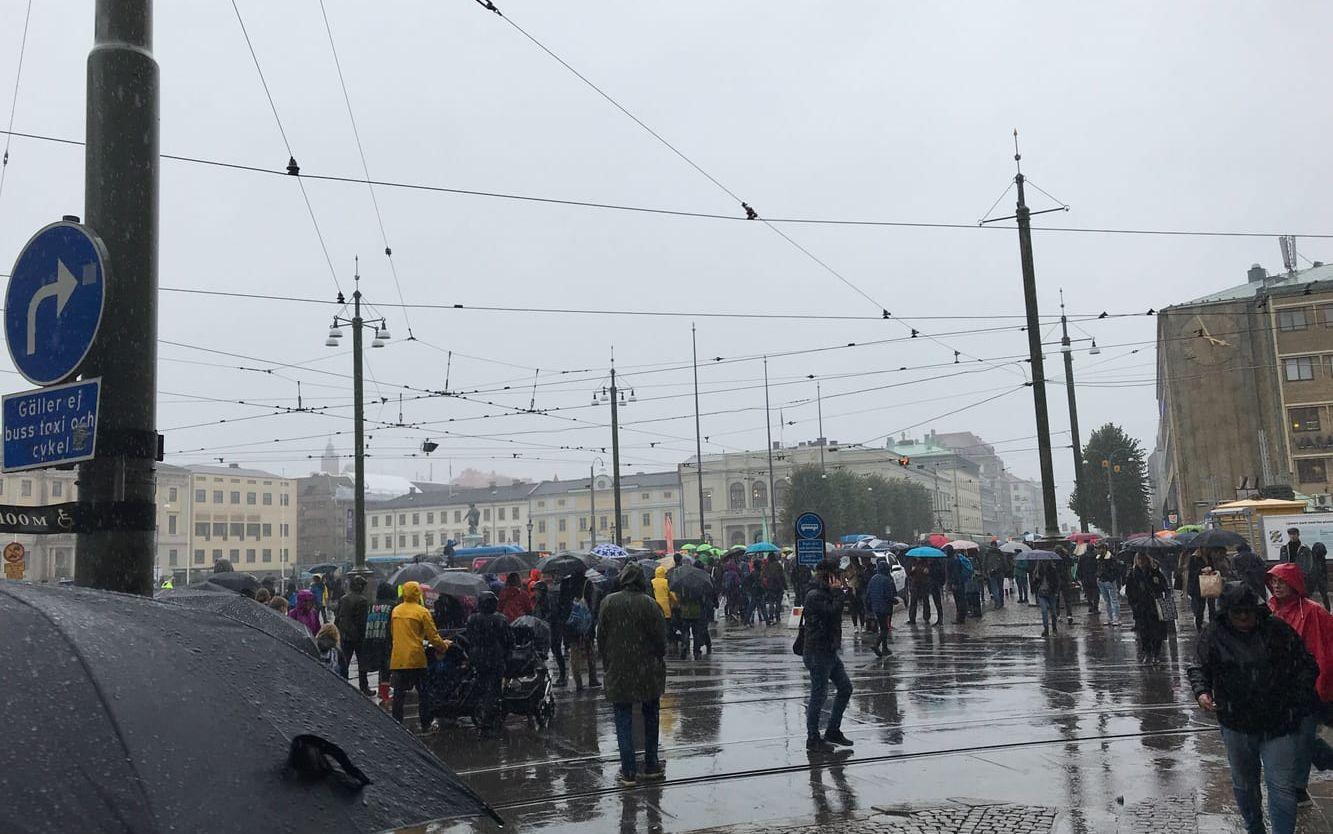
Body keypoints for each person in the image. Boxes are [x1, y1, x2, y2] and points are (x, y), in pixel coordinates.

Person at [1189, 582, 1318, 834]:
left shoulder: (1277, 630)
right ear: (1227, 613)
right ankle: (1254, 827)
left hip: (1279, 721)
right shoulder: (1214, 634)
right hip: (1236, 721)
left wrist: (1294, 699)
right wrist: (1202, 691)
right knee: (1245, 784)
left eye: (1249, 611)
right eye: (1238, 613)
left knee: (1281, 785)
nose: (1245, 617)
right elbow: (1199, 666)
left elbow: (1306, 665)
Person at [597, 563, 667, 787]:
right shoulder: (650, 604)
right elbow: (660, 642)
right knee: (651, 716)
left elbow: (601, 637)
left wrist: (609, 661)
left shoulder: (608, 602)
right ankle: (651, 764)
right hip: (647, 670)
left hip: (619, 669)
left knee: (623, 719)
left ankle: (628, 772)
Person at [1268, 562, 1333, 804]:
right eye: (1274, 582)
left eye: (1281, 581)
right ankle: (1325, 760)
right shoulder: (1271, 610)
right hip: (1282, 686)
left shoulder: (1313, 611)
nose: (1276, 586)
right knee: (1293, 735)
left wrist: (1320, 682)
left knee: (1303, 736)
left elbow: (1325, 647)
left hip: (1308, 685)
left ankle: (1298, 787)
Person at [803, 563, 853, 748]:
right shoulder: (815, 595)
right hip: (817, 651)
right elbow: (832, 612)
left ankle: (833, 730)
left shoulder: (826, 593)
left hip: (829, 650)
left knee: (845, 688)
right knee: (819, 695)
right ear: (829, 577)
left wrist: (838, 593)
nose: (840, 579)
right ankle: (813, 738)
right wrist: (838, 593)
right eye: (837, 575)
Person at [389, 580, 450, 731]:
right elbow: (433, 636)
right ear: (418, 594)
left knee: (399, 695)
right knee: (424, 693)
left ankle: (397, 724)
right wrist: (444, 646)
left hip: (398, 658)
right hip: (416, 658)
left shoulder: (396, 611)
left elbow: (393, 633)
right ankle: (425, 723)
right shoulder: (422, 612)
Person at [465, 591, 514, 732]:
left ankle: (484, 711)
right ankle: (489, 716)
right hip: (495, 658)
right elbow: (509, 639)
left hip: (478, 658)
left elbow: (469, 638)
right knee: (494, 689)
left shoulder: (472, 619)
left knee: (482, 685)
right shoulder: (500, 619)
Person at [1124, 553, 1169, 663]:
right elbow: (1129, 592)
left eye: (1143, 559)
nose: (1141, 561)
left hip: (1155, 608)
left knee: (1157, 633)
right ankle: (1148, 652)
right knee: (1144, 633)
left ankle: (1156, 654)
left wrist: (1157, 583)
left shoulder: (1155, 572)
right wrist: (1134, 605)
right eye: (1138, 559)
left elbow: (1164, 587)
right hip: (1141, 609)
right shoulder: (1133, 574)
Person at [334, 575, 372, 694]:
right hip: (358, 636)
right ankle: (364, 687)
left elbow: (338, 616)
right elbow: (363, 621)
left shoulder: (343, 598)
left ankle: (342, 684)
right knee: (362, 663)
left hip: (344, 634)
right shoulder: (362, 600)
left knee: (344, 662)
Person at [362, 582, 396, 695]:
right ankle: (384, 693)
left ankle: (379, 688)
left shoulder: (371, 605)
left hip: (370, 637)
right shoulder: (392, 605)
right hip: (385, 638)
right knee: (386, 667)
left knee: (377, 665)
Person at [1188, 547, 1230, 629]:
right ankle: (1199, 625)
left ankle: (1213, 624)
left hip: (1211, 584)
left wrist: (1212, 571)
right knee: (1200, 607)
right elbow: (1191, 572)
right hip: (1199, 585)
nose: (1207, 550)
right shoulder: (1194, 558)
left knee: (1212, 606)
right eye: (1205, 549)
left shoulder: (1210, 557)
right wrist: (1201, 571)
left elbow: (1213, 568)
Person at [866, 559, 896, 657]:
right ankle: (877, 644)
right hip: (885, 607)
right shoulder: (886, 580)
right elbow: (888, 595)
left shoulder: (873, 578)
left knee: (883, 627)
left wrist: (869, 607)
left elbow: (868, 594)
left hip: (875, 607)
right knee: (884, 628)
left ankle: (885, 648)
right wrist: (894, 601)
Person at [1032, 556, 1062, 637]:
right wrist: (1036, 578)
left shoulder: (1053, 570)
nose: (1043, 563)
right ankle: (1046, 629)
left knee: (1053, 612)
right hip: (1041, 594)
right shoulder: (1038, 571)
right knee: (1044, 611)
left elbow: (1057, 582)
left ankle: (1054, 628)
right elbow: (1034, 584)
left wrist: (1056, 592)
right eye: (1042, 562)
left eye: (1045, 562)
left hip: (1051, 593)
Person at [1095, 546, 1124, 626]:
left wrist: (1111, 578)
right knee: (1107, 601)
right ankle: (1110, 618)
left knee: (1113, 599)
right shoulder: (1098, 558)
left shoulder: (1111, 558)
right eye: (1098, 548)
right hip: (1101, 581)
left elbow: (1118, 569)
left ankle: (1116, 618)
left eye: (1101, 548)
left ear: (1105, 549)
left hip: (1109, 581)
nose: (1100, 550)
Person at [1280, 528, 1315, 592]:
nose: (1292, 536)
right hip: (1288, 575)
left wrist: (1304, 574)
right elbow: (1282, 562)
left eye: (1294, 534)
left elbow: (1309, 563)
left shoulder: (1305, 548)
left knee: (1301, 592)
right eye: (1290, 534)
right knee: (1289, 593)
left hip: (1300, 575)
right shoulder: (1284, 548)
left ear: (1298, 535)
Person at [945, 546, 969, 625]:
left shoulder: (952, 560)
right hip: (960, 582)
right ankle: (961, 617)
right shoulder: (956, 558)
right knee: (960, 600)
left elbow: (954, 573)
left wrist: (953, 583)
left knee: (959, 600)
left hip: (957, 583)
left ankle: (960, 619)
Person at [906, 556, 933, 625]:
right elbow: (908, 574)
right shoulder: (913, 563)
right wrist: (912, 570)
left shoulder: (926, 563)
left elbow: (930, 573)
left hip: (924, 584)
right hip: (915, 585)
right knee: (913, 602)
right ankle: (912, 619)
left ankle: (926, 617)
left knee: (925, 601)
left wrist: (927, 571)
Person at [926, 550, 947, 628]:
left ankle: (940, 619)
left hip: (935, 586)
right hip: (936, 585)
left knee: (938, 603)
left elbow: (935, 575)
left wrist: (929, 571)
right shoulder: (938, 564)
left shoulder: (934, 566)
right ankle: (939, 619)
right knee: (937, 603)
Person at [1076, 546, 1099, 616]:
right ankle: (1095, 607)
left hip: (1085, 577)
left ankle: (1090, 605)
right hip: (1094, 577)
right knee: (1096, 592)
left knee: (1088, 593)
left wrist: (1079, 576)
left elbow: (1079, 567)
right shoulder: (1096, 556)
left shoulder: (1082, 557)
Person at [983, 542, 1006, 609]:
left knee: (995, 589)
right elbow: (1004, 562)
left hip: (991, 573)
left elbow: (984, 563)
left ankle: (997, 603)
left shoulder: (988, 553)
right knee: (1000, 588)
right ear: (996, 545)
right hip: (1000, 573)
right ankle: (1001, 602)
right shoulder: (1000, 553)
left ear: (991, 545)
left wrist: (985, 572)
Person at [1311, 543, 1330, 610]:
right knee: (1323, 595)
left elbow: (1324, 568)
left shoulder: (1321, 556)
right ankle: (1328, 610)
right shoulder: (1313, 556)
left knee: (1324, 594)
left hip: (1320, 577)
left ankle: (1328, 610)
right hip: (1314, 577)